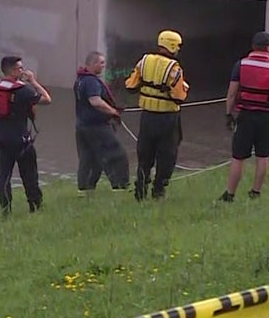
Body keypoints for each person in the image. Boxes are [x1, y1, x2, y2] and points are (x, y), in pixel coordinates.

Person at [220, 32, 269, 202]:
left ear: (253, 46)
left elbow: (231, 93)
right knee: (263, 156)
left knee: (238, 157)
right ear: (268, 48)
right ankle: (255, 192)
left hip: (246, 116)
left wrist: (229, 114)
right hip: (267, 118)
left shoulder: (240, 65)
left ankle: (230, 194)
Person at [125, 30, 190, 201]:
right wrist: (184, 88)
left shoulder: (144, 61)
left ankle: (140, 190)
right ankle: (159, 190)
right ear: (173, 46)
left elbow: (130, 86)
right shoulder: (174, 68)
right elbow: (179, 96)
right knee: (167, 155)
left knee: (145, 154)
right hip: (168, 118)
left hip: (147, 117)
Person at [0, 55, 52, 216]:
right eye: (20, 68)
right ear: (13, 70)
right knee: (29, 175)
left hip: (1, 139)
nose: (23, 70)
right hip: (21, 140)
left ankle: (5, 210)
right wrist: (34, 82)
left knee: (4, 177)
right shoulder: (23, 90)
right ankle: (34, 206)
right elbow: (47, 100)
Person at [73, 51, 130, 196]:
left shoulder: (80, 80)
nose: (104, 66)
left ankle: (85, 189)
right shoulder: (91, 81)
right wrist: (113, 111)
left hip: (82, 126)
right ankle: (120, 187)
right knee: (116, 154)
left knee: (89, 158)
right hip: (96, 126)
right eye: (101, 63)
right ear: (92, 64)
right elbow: (95, 101)